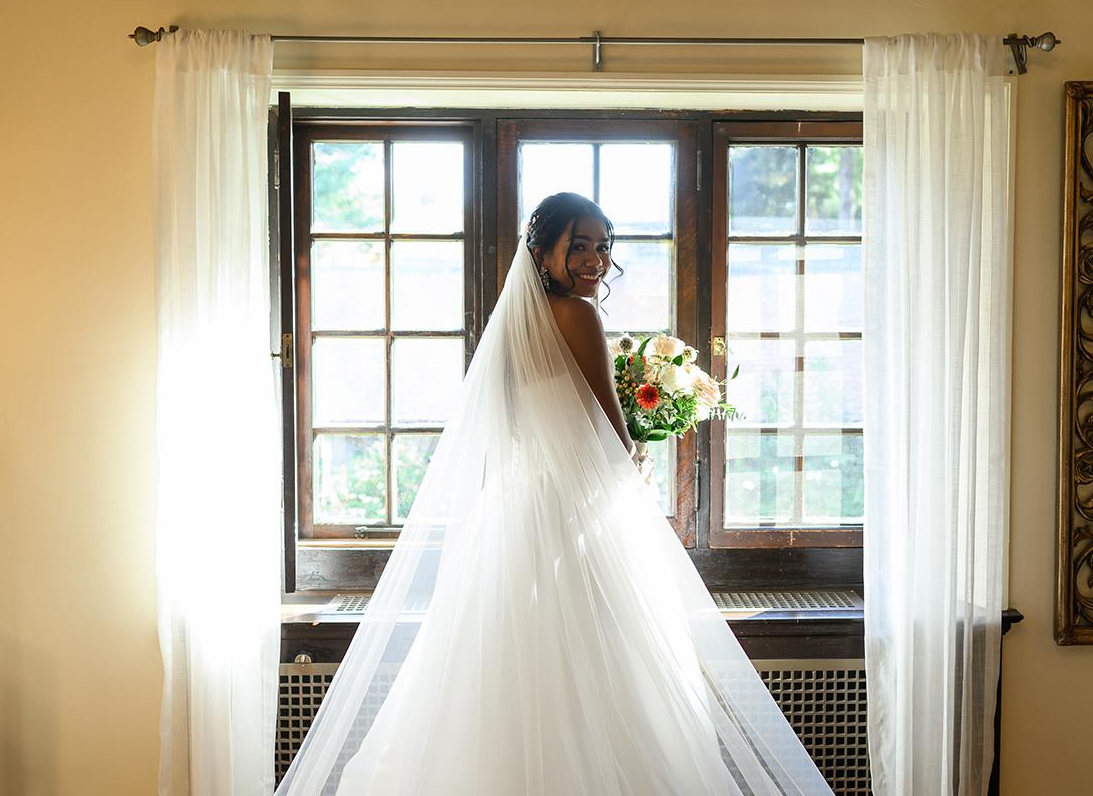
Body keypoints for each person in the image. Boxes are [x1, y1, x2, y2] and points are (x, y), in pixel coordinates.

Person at [274, 192, 835, 796]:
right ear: (541, 252)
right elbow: (610, 431)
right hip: (573, 515)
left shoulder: (514, 325)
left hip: (516, 515)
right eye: (580, 245)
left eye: (603, 246)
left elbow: (521, 426)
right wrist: (637, 456)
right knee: (603, 672)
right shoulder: (577, 316)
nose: (595, 259)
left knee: (505, 672)